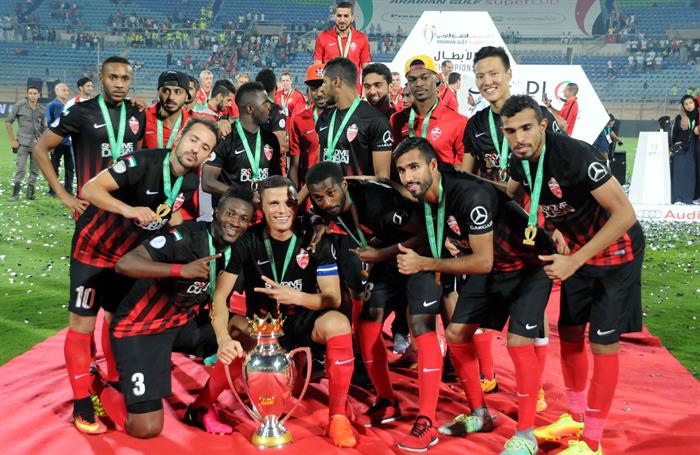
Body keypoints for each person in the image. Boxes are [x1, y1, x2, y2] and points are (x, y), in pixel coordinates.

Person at [392, 137, 555, 453]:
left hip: (530, 264)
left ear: (433, 165)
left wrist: (424, 263)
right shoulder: (427, 197)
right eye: (401, 170)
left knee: (518, 342)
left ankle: (526, 435)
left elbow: (482, 261)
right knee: (456, 334)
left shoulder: (470, 196)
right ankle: (481, 414)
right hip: (494, 266)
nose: (408, 176)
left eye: (414, 167)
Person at [502, 95, 645, 455]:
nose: (519, 137)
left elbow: (625, 214)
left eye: (526, 128)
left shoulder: (576, 155)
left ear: (543, 125)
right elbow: (515, 201)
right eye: (510, 131)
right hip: (579, 252)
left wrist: (576, 259)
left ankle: (592, 442)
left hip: (617, 251)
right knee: (569, 334)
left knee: (602, 341)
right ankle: (577, 417)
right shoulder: (520, 162)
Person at [188, 176, 358, 448]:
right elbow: (220, 296)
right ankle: (201, 405)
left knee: (338, 324)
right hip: (263, 329)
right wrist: (222, 340)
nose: (282, 210)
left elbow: (333, 298)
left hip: (303, 321)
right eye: (273, 203)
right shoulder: (247, 241)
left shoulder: (314, 237)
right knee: (234, 334)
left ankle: (337, 416)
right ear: (262, 207)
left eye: (288, 203)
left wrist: (296, 296)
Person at [33, 55, 146, 434]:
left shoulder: (137, 114)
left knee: (116, 319)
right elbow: (41, 148)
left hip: (127, 238)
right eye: (113, 77)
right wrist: (64, 194)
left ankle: (112, 385)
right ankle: (82, 404)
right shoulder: (81, 113)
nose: (120, 83)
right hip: (92, 238)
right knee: (82, 323)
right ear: (101, 78)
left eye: (125, 77)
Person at [104, 185, 254, 438]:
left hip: (182, 324)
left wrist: (223, 339)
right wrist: (180, 270)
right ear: (216, 212)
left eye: (243, 218)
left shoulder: (236, 247)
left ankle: (201, 408)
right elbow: (125, 263)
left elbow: (220, 298)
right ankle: (101, 387)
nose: (235, 223)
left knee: (246, 332)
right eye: (230, 214)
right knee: (146, 429)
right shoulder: (185, 237)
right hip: (141, 330)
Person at [306, 162, 419, 428]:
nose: (326, 202)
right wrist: (319, 223)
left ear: (343, 185)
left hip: (419, 258)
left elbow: (424, 234)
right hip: (383, 262)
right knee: (366, 329)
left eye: (331, 194)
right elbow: (314, 212)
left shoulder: (378, 202)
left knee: (423, 332)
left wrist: (380, 254)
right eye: (319, 198)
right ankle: (387, 400)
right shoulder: (324, 201)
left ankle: (438, 410)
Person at [202, 81, 281, 200]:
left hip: (262, 210)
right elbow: (208, 182)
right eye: (265, 103)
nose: (270, 106)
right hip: (231, 210)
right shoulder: (225, 137)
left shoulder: (271, 139)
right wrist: (245, 195)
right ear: (250, 108)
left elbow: (276, 180)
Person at [317, 57, 393, 178]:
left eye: (324, 82)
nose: (321, 89)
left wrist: (344, 182)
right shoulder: (324, 117)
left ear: (336, 81)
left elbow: (382, 178)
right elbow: (320, 163)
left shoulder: (376, 121)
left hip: (356, 191)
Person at [391, 55, 468, 169]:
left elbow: (466, 169)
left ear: (436, 79)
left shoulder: (458, 121)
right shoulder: (397, 119)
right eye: (412, 79)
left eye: (424, 77)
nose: (419, 84)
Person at [313, 1, 371, 88]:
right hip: (330, 91)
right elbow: (317, 66)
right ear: (334, 17)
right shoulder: (322, 37)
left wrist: (365, 91)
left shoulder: (362, 38)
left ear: (352, 18)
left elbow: (366, 69)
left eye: (346, 16)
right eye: (339, 16)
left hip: (353, 91)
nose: (342, 20)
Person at [288, 63, 326, 188]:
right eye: (314, 89)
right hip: (308, 191)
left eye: (323, 87)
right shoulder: (299, 120)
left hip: (336, 190)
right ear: (308, 91)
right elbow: (294, 165)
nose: (319, 93)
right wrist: (296, 195)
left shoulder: (342, 117)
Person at [6, 85, 46, 200]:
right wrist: (13, 140)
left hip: (37, 145)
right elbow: (8, 122)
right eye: (30, 93)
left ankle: (30, 193)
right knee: (20, 169)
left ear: (39, 95)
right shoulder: (19, 106)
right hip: (22, 143)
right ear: (27, 94)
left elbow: (44, 128)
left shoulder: (42, 110)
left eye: (35, 93)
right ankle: (15, 194)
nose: (32, 96)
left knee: (34, 170)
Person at [143, 71, 192, 150]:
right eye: (165, 91)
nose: (171, 97)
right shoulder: (143, 117)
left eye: (177, 92)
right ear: (158, 93)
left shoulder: (194, 122)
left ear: (187, 96)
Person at [45, 83, 74, 196]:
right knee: (54, 167)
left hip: (69, 142)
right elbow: (49, 124)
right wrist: (50, 143)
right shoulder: (51, 105)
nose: (66, 92)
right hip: (56, 142)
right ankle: (53, 190)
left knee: (70, 167)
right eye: (64, 90)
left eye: (67, 90)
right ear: (57, 92)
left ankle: (69, 190)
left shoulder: (70, 105)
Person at [671, 95, 698, 204]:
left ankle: (689, 198)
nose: (689, 106)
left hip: (693, 148)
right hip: (682, 148)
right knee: (680, 172)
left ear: (695, 103)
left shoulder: (697, 116)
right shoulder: (680, 118)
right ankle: (678, 198)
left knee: (691, 174)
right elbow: (675, 135)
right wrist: (673, 148)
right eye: (686, 104)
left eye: (690, 103)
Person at [256, 69, 289, 158]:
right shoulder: (277, 111)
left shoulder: (250, 107)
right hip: (268, 162)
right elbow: (280, 146)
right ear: (276, 88)